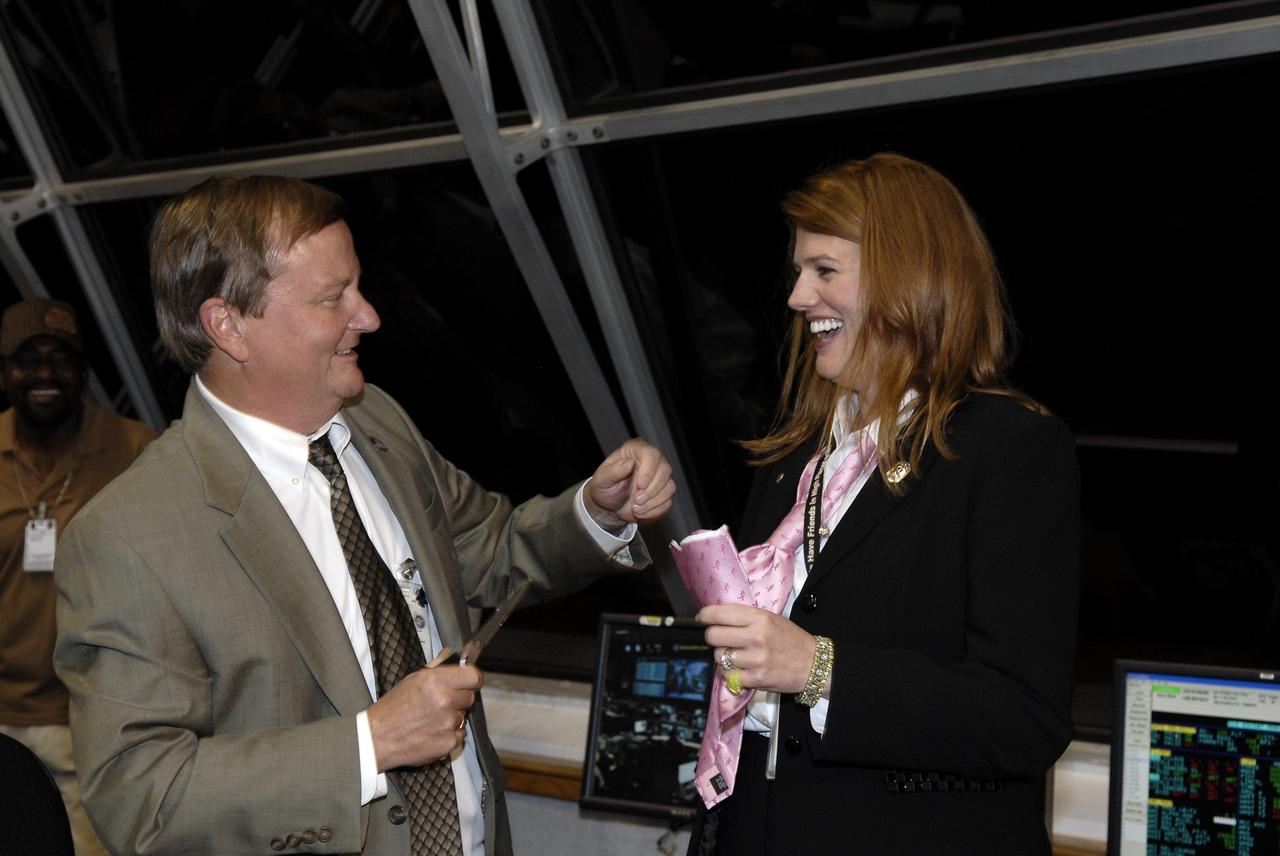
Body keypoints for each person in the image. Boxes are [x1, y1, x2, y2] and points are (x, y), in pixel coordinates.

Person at [52, 175, 676, 856]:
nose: (369, 315)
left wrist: (594, 512)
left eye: (357, 286)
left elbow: (491, 551)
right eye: (332, 299)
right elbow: (142, 797)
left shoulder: (377, 422)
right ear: (228, 326)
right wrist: (368, 745)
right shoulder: (127, 537)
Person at [690, 153, 1079, 855]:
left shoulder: (1007, 449)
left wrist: (819, 669)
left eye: (825, 271)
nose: (797, 298)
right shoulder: (792, 465)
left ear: (904, 277)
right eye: (798, 272)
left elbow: (1023, 718)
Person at [0, 297, 155, 856]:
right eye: (27, 358)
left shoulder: (137, 452)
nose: (44, 373)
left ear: (82, 371)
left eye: (60, 358)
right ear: (4, 372)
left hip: (94, 721)